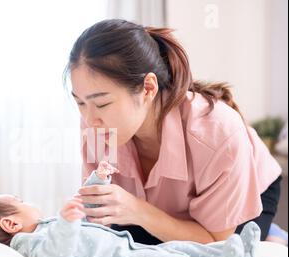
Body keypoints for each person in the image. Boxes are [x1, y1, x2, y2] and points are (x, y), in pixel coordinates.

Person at [66, 19, 282, 245]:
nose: (90, 120)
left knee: (223, 254)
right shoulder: (94, 125)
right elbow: (97, 216)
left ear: (148, 88)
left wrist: (138, 211)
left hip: (247, 194)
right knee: (133, 246)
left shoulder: (218, 133)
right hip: (160, 204)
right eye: (80, 103)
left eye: (101, 104)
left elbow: (215, 240)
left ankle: (273, 236)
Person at [0, 162, 261, 257]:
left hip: (124, 249)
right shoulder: (29, 243)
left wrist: (97, 179)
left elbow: (85, 201)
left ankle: (229, 253)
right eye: (20, 203)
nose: (28, 203)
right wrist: (66, 224)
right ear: (10, 225)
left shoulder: (45, 226)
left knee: (177, 249)